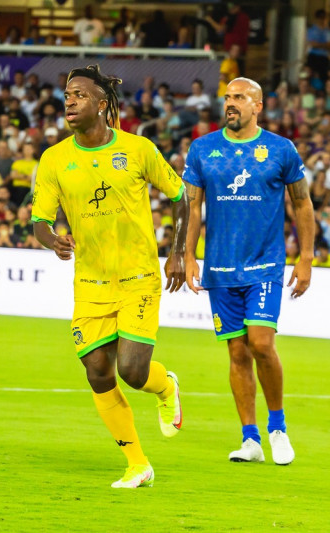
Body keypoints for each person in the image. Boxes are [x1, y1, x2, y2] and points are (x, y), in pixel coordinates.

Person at [32, 64, 188, 489]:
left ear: (102, 105)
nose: (69, 100)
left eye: (80, 94)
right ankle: (138, 464)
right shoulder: (54, 159)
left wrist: (178, 251)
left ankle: (164, 385)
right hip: (90, 283)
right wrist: (53, 240)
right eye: (67, 94)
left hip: (138, 275)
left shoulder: (138, 150)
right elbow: (40, 222)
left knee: (132, 371)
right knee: (98, 371)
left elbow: (181, 196)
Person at [183, 77, 314, 466]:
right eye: (227, 97)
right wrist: (188, 256)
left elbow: (303, 203)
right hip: (220, 267)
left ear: (258, 105)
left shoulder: (280, 149)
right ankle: (250, 439)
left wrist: (305, 257)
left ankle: (277, 428)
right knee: (237, 352)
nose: (231, 104)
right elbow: (192, 208)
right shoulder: (202, 149)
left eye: (239, 98)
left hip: (264, 264)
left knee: (260, 343)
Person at [306, 10, 330, 83]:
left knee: (324, 77)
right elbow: (312, 44)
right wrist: (324, 45)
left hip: (324, 57)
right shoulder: (312, 30)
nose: (322, 20)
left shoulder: (327, 31)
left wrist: (318, 45)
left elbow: (329, 45)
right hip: (313, 56)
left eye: (324, 18)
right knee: (309, 75)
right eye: (320, 18)